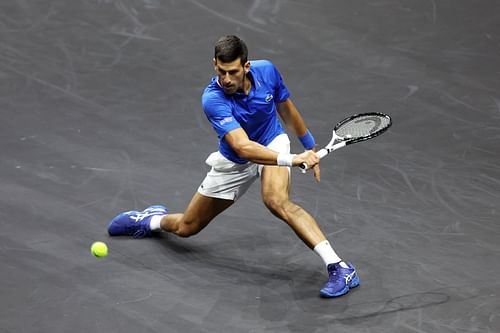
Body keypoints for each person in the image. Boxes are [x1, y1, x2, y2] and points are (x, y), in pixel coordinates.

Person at [107, 35, 359, 298]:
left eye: (233, 72)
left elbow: (286, 109)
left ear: (246, 67)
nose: (226, 79)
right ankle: (151, 221)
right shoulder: (212, 99)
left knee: (276, 201)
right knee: (187, 227)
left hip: (272, 141)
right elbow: (242, 147)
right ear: (214, 64)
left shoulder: (267, 71)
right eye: (221, 71)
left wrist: (308, 146)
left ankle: (340, 267)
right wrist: (293, 159)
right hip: (235, 161)